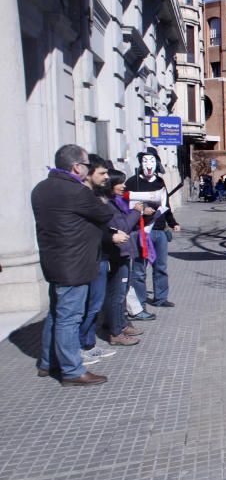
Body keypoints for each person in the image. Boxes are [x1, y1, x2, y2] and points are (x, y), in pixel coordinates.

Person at [32, 144, 114, 386]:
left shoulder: (41, 188)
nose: (88, 170)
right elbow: (104, 213)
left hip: (53, 261)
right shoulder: (76, 192)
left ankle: (48, 363)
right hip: (75, 264)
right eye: (87, 165)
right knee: (70, 317)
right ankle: (71, 370)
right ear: (77, 167)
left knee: (56, 314)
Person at [78, 155, 120, 366]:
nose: (106, 178)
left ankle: (88, 343)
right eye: (102, 173)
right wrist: (110, 236)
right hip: (92, 258)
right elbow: (92, 228)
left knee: (94, 305)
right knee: (91, 306)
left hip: (100, 256)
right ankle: (82, 346)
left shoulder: (95, 195)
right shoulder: (84, 197)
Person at [126, 147, 180, 309]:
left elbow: (166, 204)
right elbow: (124, 204)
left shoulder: (159, 182)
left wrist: (172, 222)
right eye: (145, 161)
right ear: (141, 163)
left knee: (160, 267)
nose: (148, 165)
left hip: (159, 230)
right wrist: (141, 210)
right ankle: (139, 302)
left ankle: (161, 298)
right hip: (140, 231)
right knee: (139, 269)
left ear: (156, 163)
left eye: (151, 161)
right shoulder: (132, 182)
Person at [100, 169, 144, 346]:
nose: (124, 186)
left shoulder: (117, 202)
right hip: (116, 253)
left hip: (124, 251)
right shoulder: (107, 205)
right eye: (120, 182)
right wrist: (136, 212)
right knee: (117, 293)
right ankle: (116, 331)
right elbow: (123, 225)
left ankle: (121, 323)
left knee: (122, 292)